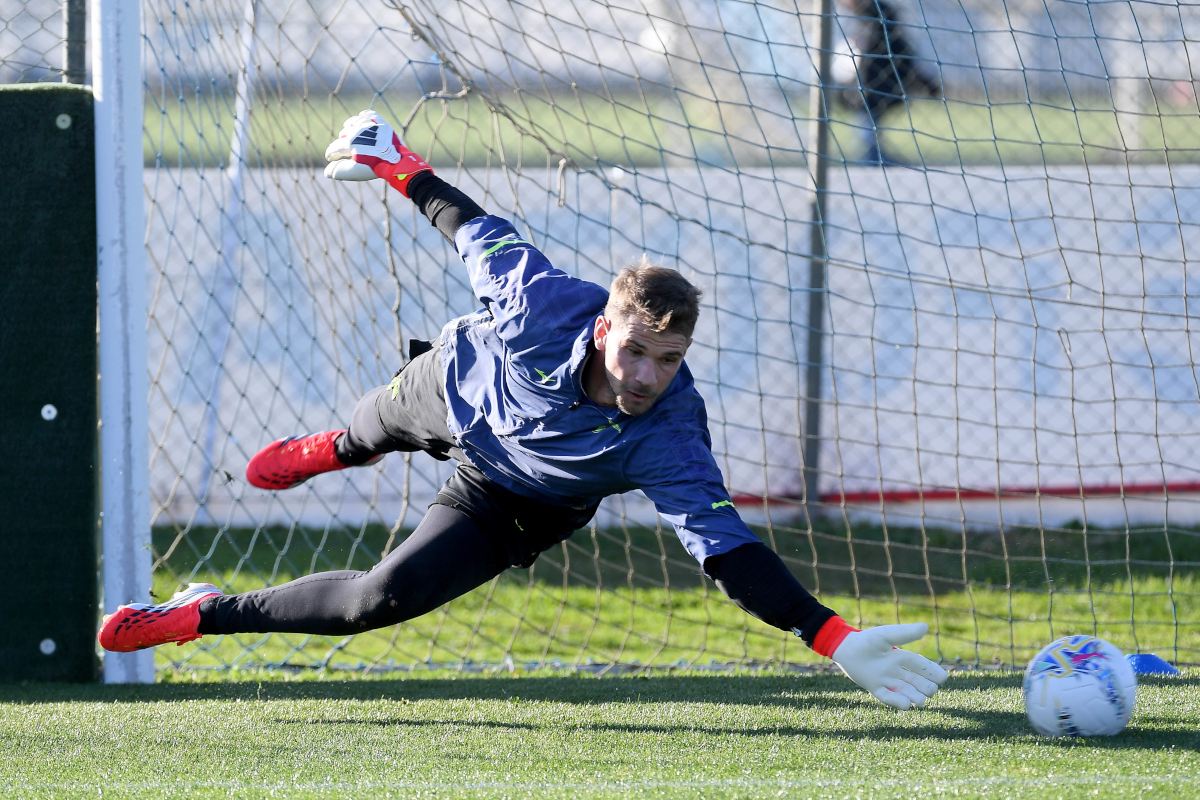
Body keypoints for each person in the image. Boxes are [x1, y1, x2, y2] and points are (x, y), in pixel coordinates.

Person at [98, 111, 947, 709]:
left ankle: (196, 613)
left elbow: (726, 553)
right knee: (358, 441)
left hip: (517, 500)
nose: (648, 374)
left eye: (669, 359)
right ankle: (338, 446)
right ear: (603, 325)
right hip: (454, 387)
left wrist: (829, 635)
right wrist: (395, 165)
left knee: (375, 605)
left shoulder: (671, 433)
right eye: (636, 351)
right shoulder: (543, 305)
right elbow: (471, 227)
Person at [842, 0, 940, 165]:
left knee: (869, 141)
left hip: (872, 90)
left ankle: (887, 165)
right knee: (869, 137)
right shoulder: (868, 24)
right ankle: (888, 164)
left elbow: (903, 59)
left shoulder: (876, 26)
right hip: (870, 89)